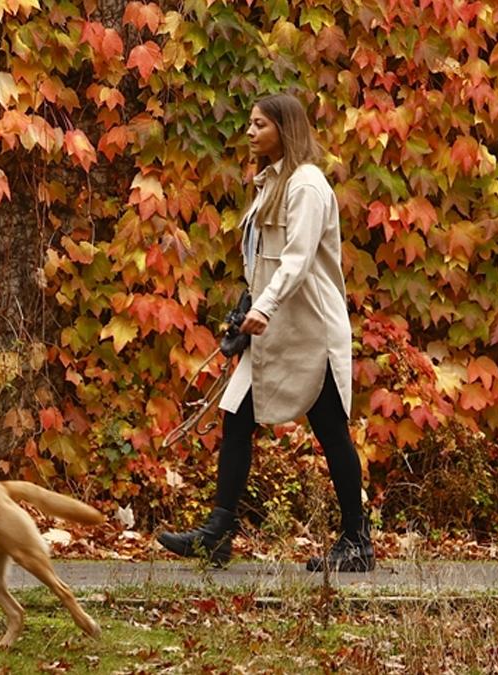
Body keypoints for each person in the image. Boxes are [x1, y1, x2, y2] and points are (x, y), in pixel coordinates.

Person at [157, 93, 373, 572]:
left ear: (284, 128)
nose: (250, 132)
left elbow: (297, 260)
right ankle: (218, 534)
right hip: (273, 330)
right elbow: (264, 262)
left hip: (310, 331)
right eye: (250, 124)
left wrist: (265, 307)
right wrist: (248, 309)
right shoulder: (271, 183)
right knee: (236, 419)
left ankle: (357, 542)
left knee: (331, 431)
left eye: (260, 125)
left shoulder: (306, 185)